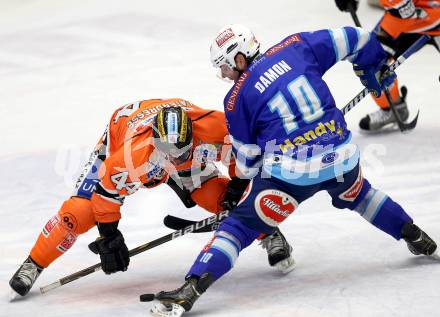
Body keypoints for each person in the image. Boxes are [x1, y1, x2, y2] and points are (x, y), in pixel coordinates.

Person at [144, 24, 438, 316]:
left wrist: (242, 196)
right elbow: (357, 37)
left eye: (224, 67)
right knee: (361, 195)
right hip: (342, 158)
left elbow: (247, 164)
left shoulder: (236, 99)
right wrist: (373, 66)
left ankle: (190, 289)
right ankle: (416, 236)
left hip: (291, 175)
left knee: (239, 227)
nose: (223, 75)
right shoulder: (297, 46)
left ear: (239, 59)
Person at [9, 99, 295, 298]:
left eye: (181, 151)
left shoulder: (215, 128)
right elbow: (106, 194)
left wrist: (236, 186)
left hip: (171, 145)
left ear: (192, 136)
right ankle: (34, 263)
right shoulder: (131, 155)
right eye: (169, 153)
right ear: (156, 142)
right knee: (78, 213)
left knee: (221, 197)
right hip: (121, 132)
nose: (175, 159)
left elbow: (245, 159)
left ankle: (267, 232)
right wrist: (109, 237)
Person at [335, 0, 440, 131]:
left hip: (424, 16)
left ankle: (393, 106)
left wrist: (377, 55)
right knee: (370, 60)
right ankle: (393, 108)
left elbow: (405, 13)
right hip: (416, 12)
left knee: (371, 60)